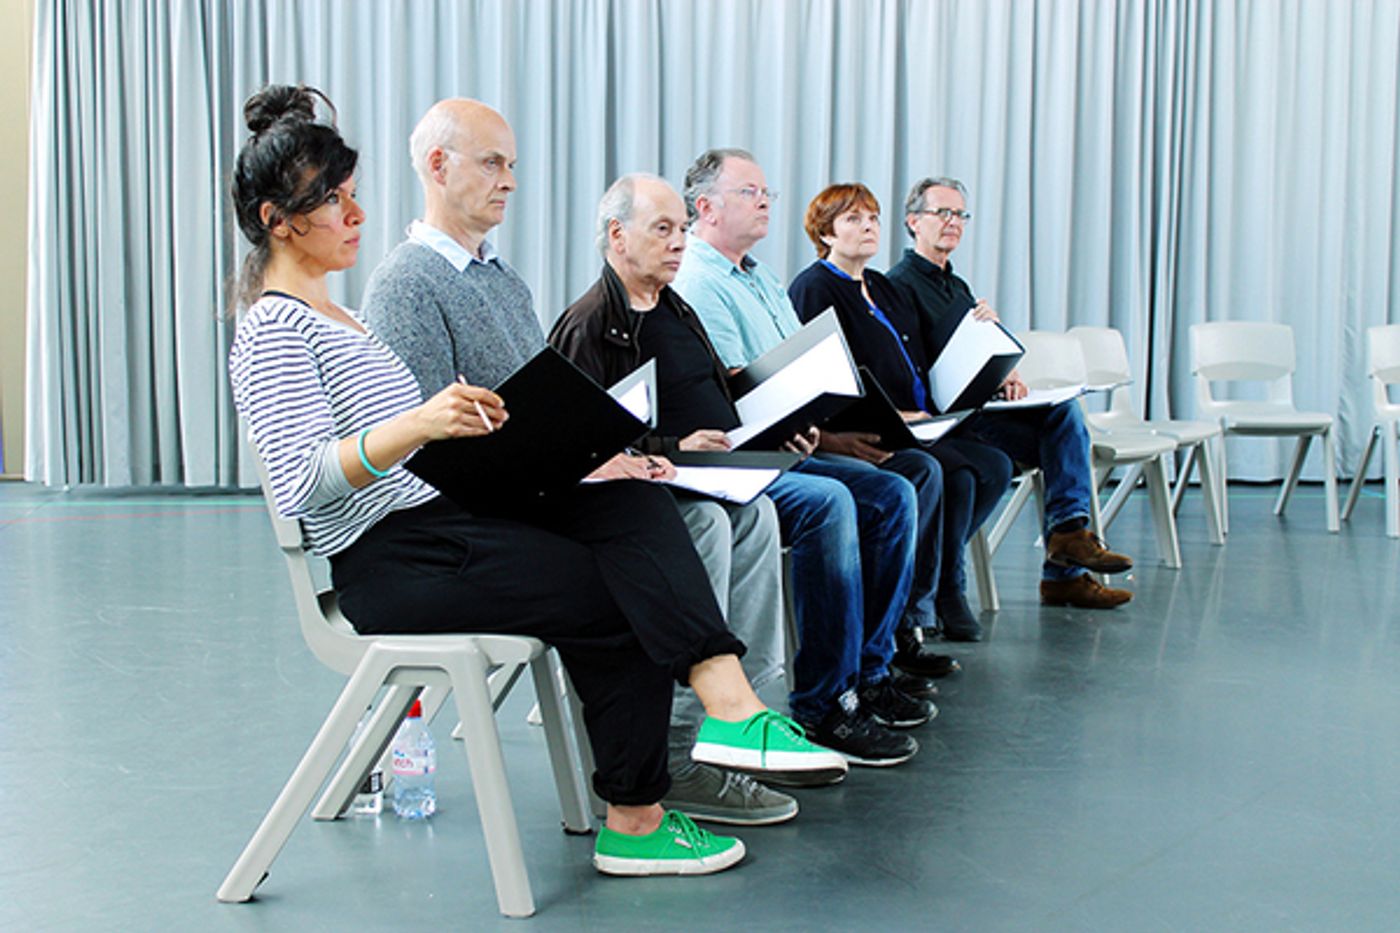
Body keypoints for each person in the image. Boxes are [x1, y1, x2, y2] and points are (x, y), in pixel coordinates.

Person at [228, 86, 845, 880]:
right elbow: (299, 482)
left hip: (444, 525)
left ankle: (729, 705)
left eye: (353, 196)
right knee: (621, 586)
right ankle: (636, 815)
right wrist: (420, 423)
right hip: (390, 561)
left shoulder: (339, 316)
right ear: (280, 220)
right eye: (332, 202)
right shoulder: (274, 325)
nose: (356, 215)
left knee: (629, 500)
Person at [553, 173, 933, 769]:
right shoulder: (592, 322)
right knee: (825, 504)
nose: (679, 241)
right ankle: (820, 701)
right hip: (679, 478)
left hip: (733, 458)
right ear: (617, 235)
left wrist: (789, 422)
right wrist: (676, 445)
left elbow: (723, 389)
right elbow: (586, 440)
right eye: (663, 229)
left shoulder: (674, 305)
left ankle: (803, 690)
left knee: (890, 490)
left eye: (681, 228)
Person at [672, 149, 964, 670]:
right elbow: (735, 390)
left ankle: (874, 664)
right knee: (837, 501)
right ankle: (827, 693)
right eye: (749, 193)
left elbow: (800, 365)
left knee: (904, 482)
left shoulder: (759, 277)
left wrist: (811, 426)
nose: (764, 203)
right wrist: (819, 434)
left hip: (790, 443)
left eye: (767, 194)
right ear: (706, 208)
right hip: (747, 455)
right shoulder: (699, 280)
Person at [887, 177, 1133, 608]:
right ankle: (1065, 564)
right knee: (1059, 439)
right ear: (913, 221)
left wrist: (1005, 370)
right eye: (942, 213)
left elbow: (975, 357)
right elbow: (917, 371)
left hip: (983, 405)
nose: (953, 223)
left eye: (960, 214)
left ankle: (1068, 540)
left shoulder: (957, 287)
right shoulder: (899, 285)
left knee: (1064, 411)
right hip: (952, 419)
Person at [788, 183, 1013, 643]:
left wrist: (981, 327)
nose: (868, 226)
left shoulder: (885, 288)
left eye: (872, 217)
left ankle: (932, 586)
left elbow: (927, 353)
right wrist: (882, 420)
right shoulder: (814, 287)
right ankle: (916, 616)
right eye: (853, 219)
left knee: (992, 465)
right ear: (825, 233)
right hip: (868, 430)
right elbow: (819, 377)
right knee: (946, 474)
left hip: (919, 419)